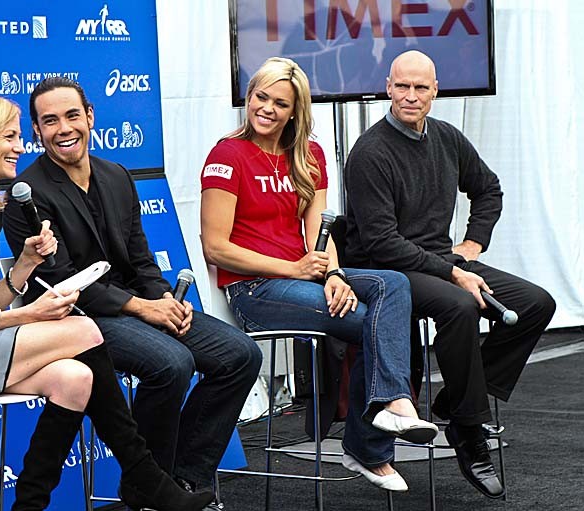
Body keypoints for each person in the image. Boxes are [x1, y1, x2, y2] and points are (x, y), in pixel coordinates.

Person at [0, 93, 214, 511]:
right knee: (84, 329)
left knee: (73, 379)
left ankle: (30, 506)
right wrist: (29, 315)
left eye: (20, 137)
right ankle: (146, 476)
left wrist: (24, 264)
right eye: (10, 137)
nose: (20, 147)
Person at [2, 77, 262, 508]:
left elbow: (141, 259)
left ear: (90, 117)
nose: (63, 128)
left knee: (240, 355)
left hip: (135, 305)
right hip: (78, 319)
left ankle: (182, 479)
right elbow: (64, 284)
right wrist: (142, 307)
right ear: (36, 131)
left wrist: (164, 300)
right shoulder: (27, 195)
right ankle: (148, 488)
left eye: (71, 115)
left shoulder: (116, 175)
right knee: (171, 363)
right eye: (50, 121)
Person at [200, 56, 438, 492]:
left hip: (304, 276)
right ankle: (370, 442)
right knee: (376, 324)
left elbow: (320, 234)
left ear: (296, 110)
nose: (266, 109)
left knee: (394, 284)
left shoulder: (308, 154)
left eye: (280, 102)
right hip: (256, 289)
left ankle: (391, 407)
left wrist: (335, 275)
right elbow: (215, 248)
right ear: (249, 97)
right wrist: (293, 267)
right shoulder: (227, 155)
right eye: (260, 97)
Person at [344, 50, 556, 499]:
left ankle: (454, 402)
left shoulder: (447, 138)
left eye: (421, 87)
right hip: (390, 271)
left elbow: (488, 189)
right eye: (403, 86)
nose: (411, 96)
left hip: (440, 259)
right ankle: (468, 428)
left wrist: (472, 245)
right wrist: (453, 273)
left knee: (536, 304)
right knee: (460, 305)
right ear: (388, 87)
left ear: (435, 91)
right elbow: (382, 243)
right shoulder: (370, 152)